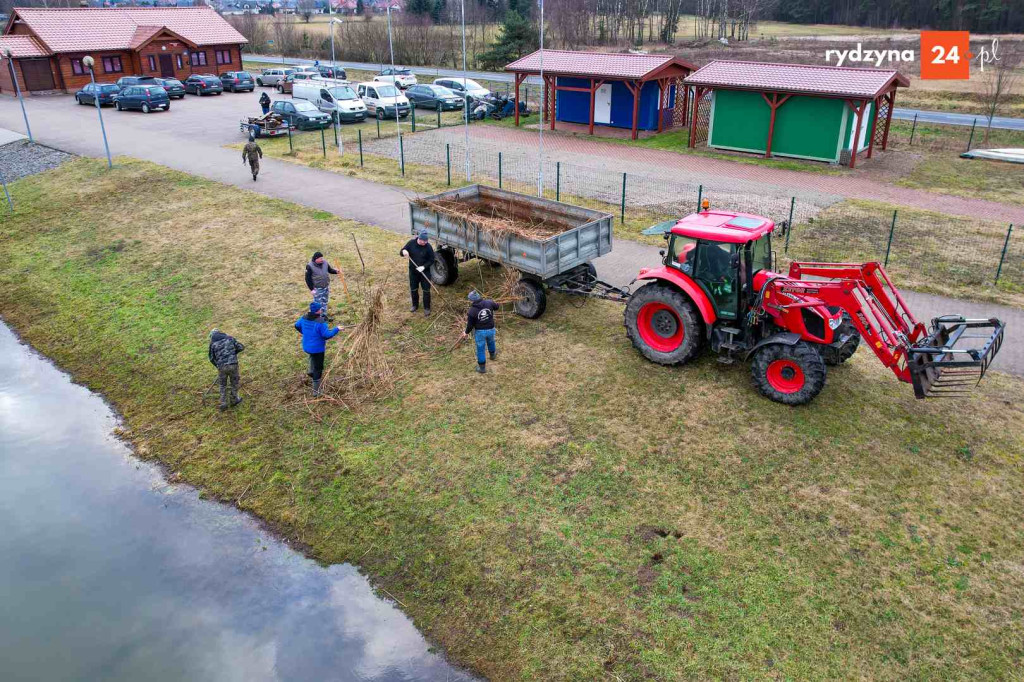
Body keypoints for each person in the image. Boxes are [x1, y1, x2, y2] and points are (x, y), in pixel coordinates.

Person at [294, 302, 342, 396]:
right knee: (318, 368)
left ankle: (311, 370)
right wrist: (337, 329)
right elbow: (326, 335)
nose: (321, 310)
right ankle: (316, 391)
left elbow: (296, 325)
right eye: (320, 309)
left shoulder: (304, 317)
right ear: (318, 310)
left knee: (312, 356)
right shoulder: (321, 322)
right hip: (317, 349)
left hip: (306, 346)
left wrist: (305, 333)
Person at [461, 290, 499, 374]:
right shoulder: (489, 302)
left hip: (480, 332)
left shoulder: (471, 311)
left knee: (480, 349)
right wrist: (495, 304)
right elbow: (497, 307)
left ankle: (482, 368)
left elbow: (470, 325)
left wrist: (466, 332)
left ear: (471, 300)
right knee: (491, 341)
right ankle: (492, 355)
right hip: (491, 329)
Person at [208, 328, 245, 410]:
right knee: (234, 382)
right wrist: (232, 353)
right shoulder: (230, 338)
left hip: (221, 367)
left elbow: (211, 358)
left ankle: (223, 403)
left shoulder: (212, 343)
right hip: (233, 364)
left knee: (222, 384)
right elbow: (241, 347)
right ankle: (234, 399)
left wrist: (217, 365)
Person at [400, 229, 435, 316]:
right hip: (413, 272)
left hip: (425, 272)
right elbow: (402, 251)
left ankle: (427, 307)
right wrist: (404, 251)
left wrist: (423, 267)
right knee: (414, 288)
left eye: (426, 241)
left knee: (426, 290)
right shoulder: (411, 243)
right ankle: (415, 305)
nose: (424, 243)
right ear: (418, 238)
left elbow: (431, 260)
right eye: (422, 241)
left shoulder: (428, 247)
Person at [305, 251, 339, 320]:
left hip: (325, 287)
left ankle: (323, 316)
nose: (322, 259)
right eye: (320, 258)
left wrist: (336, 271)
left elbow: (330, 270)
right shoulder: (309, 266)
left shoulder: (325, 263)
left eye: (322, 258)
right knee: (318, 304)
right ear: (316, 259)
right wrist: (311, 289)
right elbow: (307, 279)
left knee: (325, 302)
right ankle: (317, 318)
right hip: (317, 289)